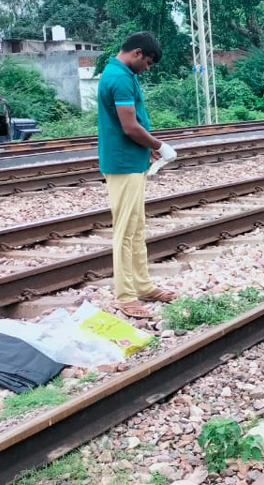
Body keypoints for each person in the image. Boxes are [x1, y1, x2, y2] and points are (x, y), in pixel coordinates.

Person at [97, 32, 178, 319]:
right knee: (124, 230)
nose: (148, 68)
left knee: (136, 227)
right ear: (137, 53)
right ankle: (126, 296)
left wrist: (149, 149)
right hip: (122, 164)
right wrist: (159, 145)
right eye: (148, 62)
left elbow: (132, 127)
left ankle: (142, 285)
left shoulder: (122, 74)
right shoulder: (118, 78)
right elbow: (130, 126)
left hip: (132, 161)